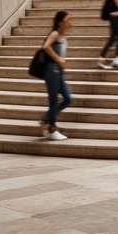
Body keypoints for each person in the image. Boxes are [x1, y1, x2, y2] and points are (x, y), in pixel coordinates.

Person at [41, 10, 73, 140]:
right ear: (60, 22)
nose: (69, 23)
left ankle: (46, 119)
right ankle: (51, 129)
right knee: (53, 101)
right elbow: (46, 47)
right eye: (67, 20)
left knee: (67, 98)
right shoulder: (55, 34)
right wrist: (58, 59)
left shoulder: (63, 36)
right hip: (51, 70)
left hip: (58, 71)